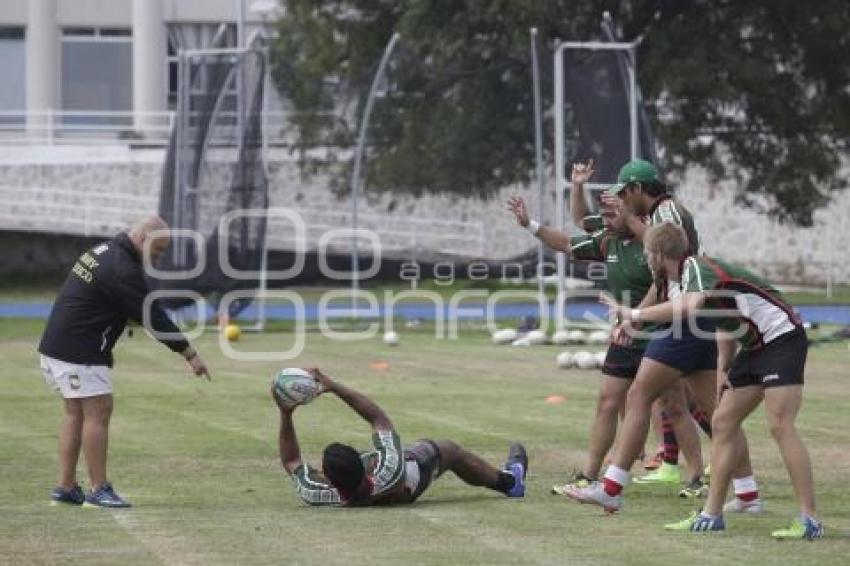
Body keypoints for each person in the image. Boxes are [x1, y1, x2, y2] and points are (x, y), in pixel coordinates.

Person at [604, 222, 823, 539]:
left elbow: (689, 309)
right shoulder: (685, 281)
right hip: (755, 345)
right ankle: (712, 514)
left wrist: (634, 314)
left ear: (657, 254)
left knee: (780, 424)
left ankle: (809, 519)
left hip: (783, 338)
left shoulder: (694, 266)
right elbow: (723, 319)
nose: (645, 260)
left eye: (647, 254)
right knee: (722, 421)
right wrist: (724, 366)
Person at [564, 159, 758, 508]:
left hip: (683, 322)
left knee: (639, 395)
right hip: (699, 321)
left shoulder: (665, 215)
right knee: (717, 413)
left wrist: (635, 316)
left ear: (638, 189)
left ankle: (610, 490)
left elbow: (675, 275)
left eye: (625, 194)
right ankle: (747, 493)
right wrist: (636, 319)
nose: (622, 201)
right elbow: (668, 278)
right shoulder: (663, 212)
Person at [507, 160, 700, 492]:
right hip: (628, 332)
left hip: (658, 329)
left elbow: (666, 285)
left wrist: (633, 316)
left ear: (632, 211)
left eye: (613, 214)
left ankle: (698, 475)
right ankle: (589, 474)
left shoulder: (656, 243)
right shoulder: (609, 241)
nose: (604, 223)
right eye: (605, 216)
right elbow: (568, 240)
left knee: (675, 404)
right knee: (607, 401)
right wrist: (530, 224)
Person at [38, 216, 210, 508]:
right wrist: (189, 353)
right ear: (144, 239)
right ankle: (98, 489)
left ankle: (66, 487)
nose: (157, 258)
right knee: (98, 411)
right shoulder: (121, 268)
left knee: (75, 413)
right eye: (157, 251)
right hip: (78, 350)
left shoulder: (103, 252)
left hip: (56, 345)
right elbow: (152, 315)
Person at [273, 368, 527, 506]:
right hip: (408, 478)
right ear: (362, 465)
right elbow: (378, 419)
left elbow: (291, 461)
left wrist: (285, 412)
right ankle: (509, 482)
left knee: (410, 447)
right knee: (449, 450)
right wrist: (334, 386)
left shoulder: (317, 492)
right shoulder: (387, 471)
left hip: (380, 487)